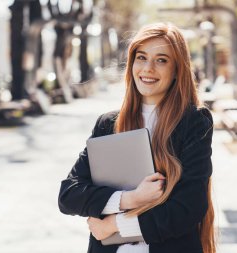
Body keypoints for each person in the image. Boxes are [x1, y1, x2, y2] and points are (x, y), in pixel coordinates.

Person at [58, 22, 216, 253]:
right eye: (141, 57)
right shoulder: (108, 124)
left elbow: (188, 208)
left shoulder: (193, 122)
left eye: (161, 60)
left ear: (177, 70)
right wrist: (130, 199)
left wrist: (114, 224)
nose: (148, 68)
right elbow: (69, 195)